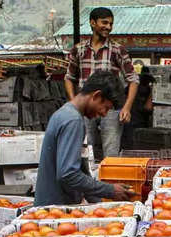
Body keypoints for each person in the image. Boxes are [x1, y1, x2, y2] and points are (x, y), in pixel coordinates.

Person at [34, 71, 133, 207]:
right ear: (96, 96)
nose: (103, 114)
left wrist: (99, 203)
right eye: (106, 108)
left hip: (54, 206)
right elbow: (68, 174)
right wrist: (109, 190)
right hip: (54, 209)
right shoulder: (73, 121)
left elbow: (78, 168)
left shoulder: (66, 114)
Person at [64, 7, 139, 160]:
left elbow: (133, 79)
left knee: (111, 153)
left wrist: (127, 107)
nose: (108, 27)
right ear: (92, 23)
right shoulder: (78, 50)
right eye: (104, 23)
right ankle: (89, 182)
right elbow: (69, 78)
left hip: (111, 108)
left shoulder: (118, 50)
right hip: (85, 108)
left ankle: (110, 183)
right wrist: (73, 103)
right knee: (85, 151)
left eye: (111, 24)